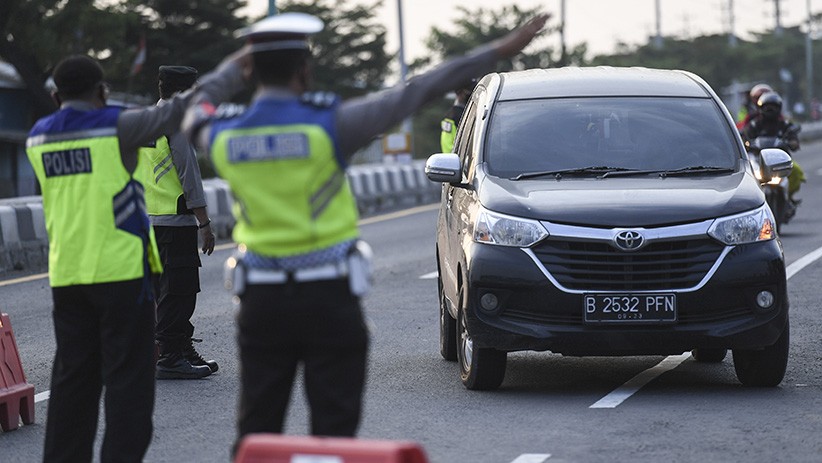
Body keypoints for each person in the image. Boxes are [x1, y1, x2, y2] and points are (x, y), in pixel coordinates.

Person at [183, 10, 550, 452]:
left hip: (261, 303)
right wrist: (498, 50)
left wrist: (233, 68)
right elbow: (416, 91)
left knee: (257, 429)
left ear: (252, 71)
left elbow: (193, 109)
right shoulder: (330, 125)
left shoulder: (225, 134)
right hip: (329, 299)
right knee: (334, 431)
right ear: (304, 69)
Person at [26, 51, 248, 462]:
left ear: (56, 97)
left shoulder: (37, 137)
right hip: (122, 273)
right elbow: (181, 109)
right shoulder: (118, 126)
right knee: (128, 386)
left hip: (68, 275)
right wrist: (235, 69)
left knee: (74, 382)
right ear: (101, 91)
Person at [137, 65, 218, 380]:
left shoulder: (147, 121)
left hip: (150, 220)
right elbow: (188, 175)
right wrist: (204, 223)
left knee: (163, 289)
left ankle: (181, 347)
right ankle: (170, 355)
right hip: (175, 219)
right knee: (181, 290)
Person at [742, 91, 805, 205]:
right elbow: (744, 137)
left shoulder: (784, 124)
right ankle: (750, 203)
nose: (770, 110)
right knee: (746, 174)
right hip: (758, 160)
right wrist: (744, 143)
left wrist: (793, 142)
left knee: (796, 171)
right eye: (767, 107)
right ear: (760, 108)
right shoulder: (754, 125)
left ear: (779, 108)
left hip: (781, 160)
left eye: (773, 107)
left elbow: (793, 137)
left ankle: (789, 197)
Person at [440, 78, 476, 152]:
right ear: (460, 93)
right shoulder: (452, 117)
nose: (472, 94)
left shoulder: (475, 110)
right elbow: (448, 147)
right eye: (469, 91)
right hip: (458, 161)